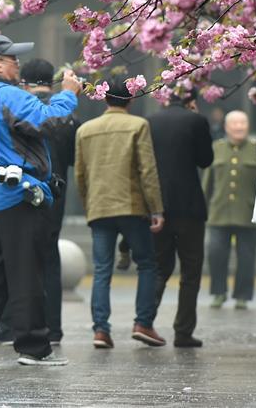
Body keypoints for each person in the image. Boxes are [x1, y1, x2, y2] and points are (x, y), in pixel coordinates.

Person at [0, 34, 80, 366]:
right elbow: (48, 123)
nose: (18, 65)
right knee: (27, 270)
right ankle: (33, 347)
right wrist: (68, 95)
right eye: (13, 59)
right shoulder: (7, 93)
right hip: (18, 191)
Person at [0, 58, 80, 345]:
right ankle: (52, 330)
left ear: (24, 82)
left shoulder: (21, 110)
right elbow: (70, 159)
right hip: (57, 194)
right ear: (51, 82)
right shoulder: (68, 117)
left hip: (25, 191)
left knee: (15, 258)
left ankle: (9, 327)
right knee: (50, 259)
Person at [76, 75, 165, 349]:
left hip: (99, 207)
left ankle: (101, 331)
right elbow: (147, 170)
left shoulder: (85, 130)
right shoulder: (138, 125)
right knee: (147, 264)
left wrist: (89, 205)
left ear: (104, 97)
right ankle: (143, 323)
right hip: (131, 206)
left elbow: (80, 174)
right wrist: (156, 209)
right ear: (131, 99)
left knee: (102, 270)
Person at [147, 89, 213, 347]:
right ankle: (183, 332)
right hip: (190, 208)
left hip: (159, 206)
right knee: (190, 271)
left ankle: (145, 321)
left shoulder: (150, 121)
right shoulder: (196, 121)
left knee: (159, 267)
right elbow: (205, 160)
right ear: (191, 101)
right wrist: (198, 120)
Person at [203, 110, 256, 311]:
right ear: (226, 127)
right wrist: (203, 208)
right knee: (216, 255)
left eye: (242, 123)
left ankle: (242, 296)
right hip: (219, 213)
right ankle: (218, 293)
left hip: (247, 213)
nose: (238, 127)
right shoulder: (216, 148)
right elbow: (207, 184)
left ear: (248, 126)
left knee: (246, 258)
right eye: (234, 124)